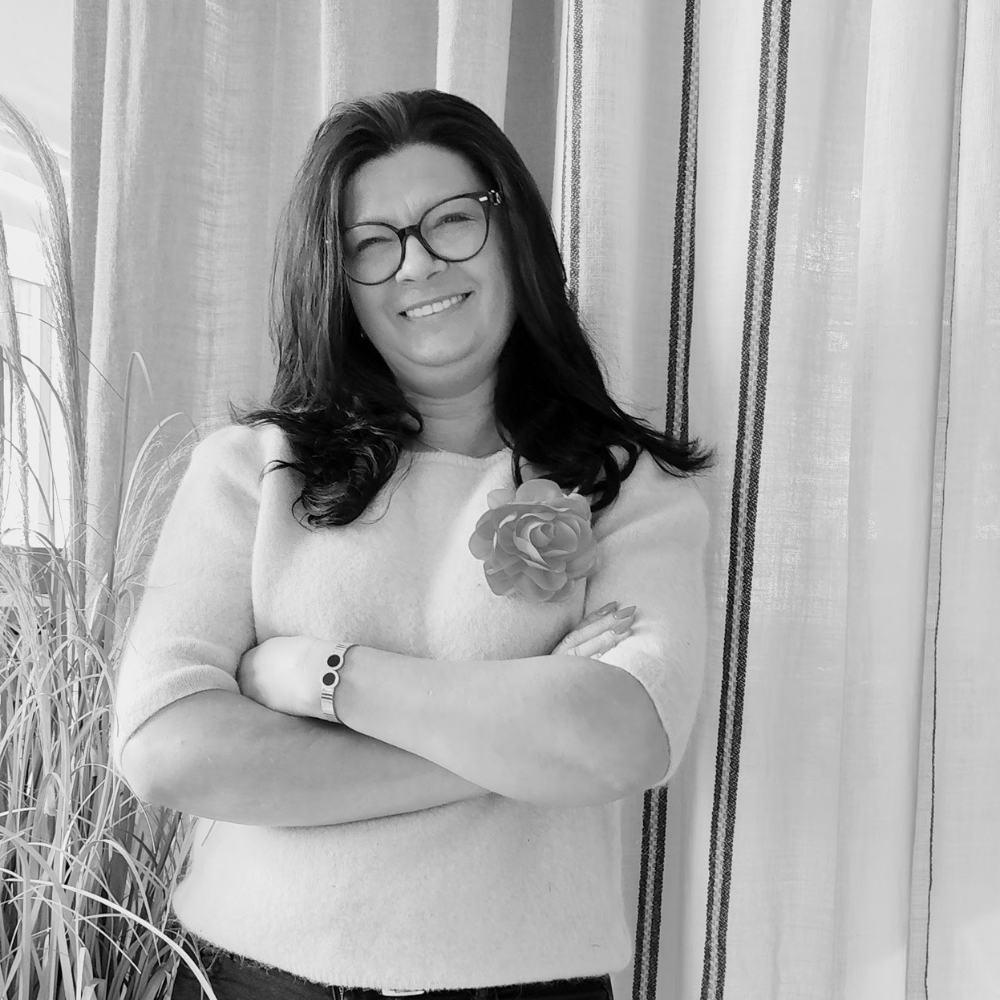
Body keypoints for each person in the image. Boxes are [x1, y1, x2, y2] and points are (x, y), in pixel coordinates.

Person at [112, 88, 715, 1000]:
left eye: (452, 220)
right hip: (262, 981)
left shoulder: (627, 486)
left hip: (527, 987)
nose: (420, 263)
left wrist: (320, 677)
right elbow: (168, 749)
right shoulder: (248, 470)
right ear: (340, 283)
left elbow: (623, 738)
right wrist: (512, 745)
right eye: (373, 243)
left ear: (512, 234)